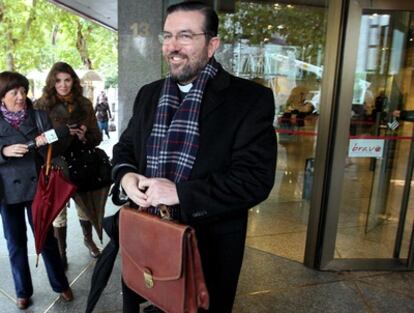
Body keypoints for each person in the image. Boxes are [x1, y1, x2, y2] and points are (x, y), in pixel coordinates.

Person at [112, 2, 277, 312]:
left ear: (212, 44)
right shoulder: (149, 94)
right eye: (168, 36)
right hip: (145, 237)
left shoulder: (249, 100)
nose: (173, 46)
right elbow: (125, 149)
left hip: (208, 248)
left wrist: (181, 194)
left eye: (185, 36)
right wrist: (126, 176)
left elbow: (254, 181)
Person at [0, 71, 73, 309]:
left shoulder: (39, 116)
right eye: (14, 92)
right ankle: (22, 291)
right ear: (2, 97)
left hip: (37, 188)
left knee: (46, 238)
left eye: (23, 91)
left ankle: (60, 284)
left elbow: (59, 145)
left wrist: (46, 142)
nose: (21, 96)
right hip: (6, 192)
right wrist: (3, 152)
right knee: (15, 242)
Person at [35, 62, 107, 269]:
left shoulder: (84, 103)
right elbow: (38, 139)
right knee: (58, 212)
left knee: (84, 207)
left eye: (67, 80)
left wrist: (85, 136)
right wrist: (63, 133)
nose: (63, 85)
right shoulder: (41, 105)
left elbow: (97, 136)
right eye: (58, 81)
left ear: (73, 81)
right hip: (57, 163)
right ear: (52, 82)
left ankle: (88, 239)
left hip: (83, 162)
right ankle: (62, 250)